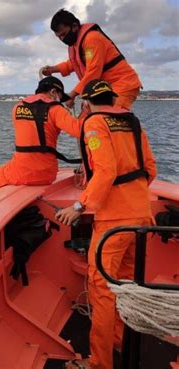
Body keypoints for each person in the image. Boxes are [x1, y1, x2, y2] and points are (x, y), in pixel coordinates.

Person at [55, 80, 157, 369]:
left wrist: (79, 206)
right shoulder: (133, 122)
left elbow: (106, 171)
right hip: (141, 216)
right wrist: (132, 198)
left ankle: (100, 362)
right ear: (112, 99)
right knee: (126, 284)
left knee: (101, 288)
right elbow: (150, 168)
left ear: (87, 103)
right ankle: (120, 340)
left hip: (114, 222)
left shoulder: (94, 124)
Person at [0, 76, 81, 194]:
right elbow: (79, 131)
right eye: (60, 98)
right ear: (53, 92)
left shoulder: (17, 108)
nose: (60, 101)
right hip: (47, 173)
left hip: (21, 171)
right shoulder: (56, 109)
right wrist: (86, 112)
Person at [41, 9, 142, 110]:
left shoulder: (92, 39)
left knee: (110, 116)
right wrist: (53, 69)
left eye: (63, 34)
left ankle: (134, 125)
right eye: (59, 37)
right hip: (103, 89)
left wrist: (72, 95)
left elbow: (93, 72)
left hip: (122, 83)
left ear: (75, 26)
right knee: (87, 118)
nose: (62, 39)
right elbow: (74, 63)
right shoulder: (75, 44)